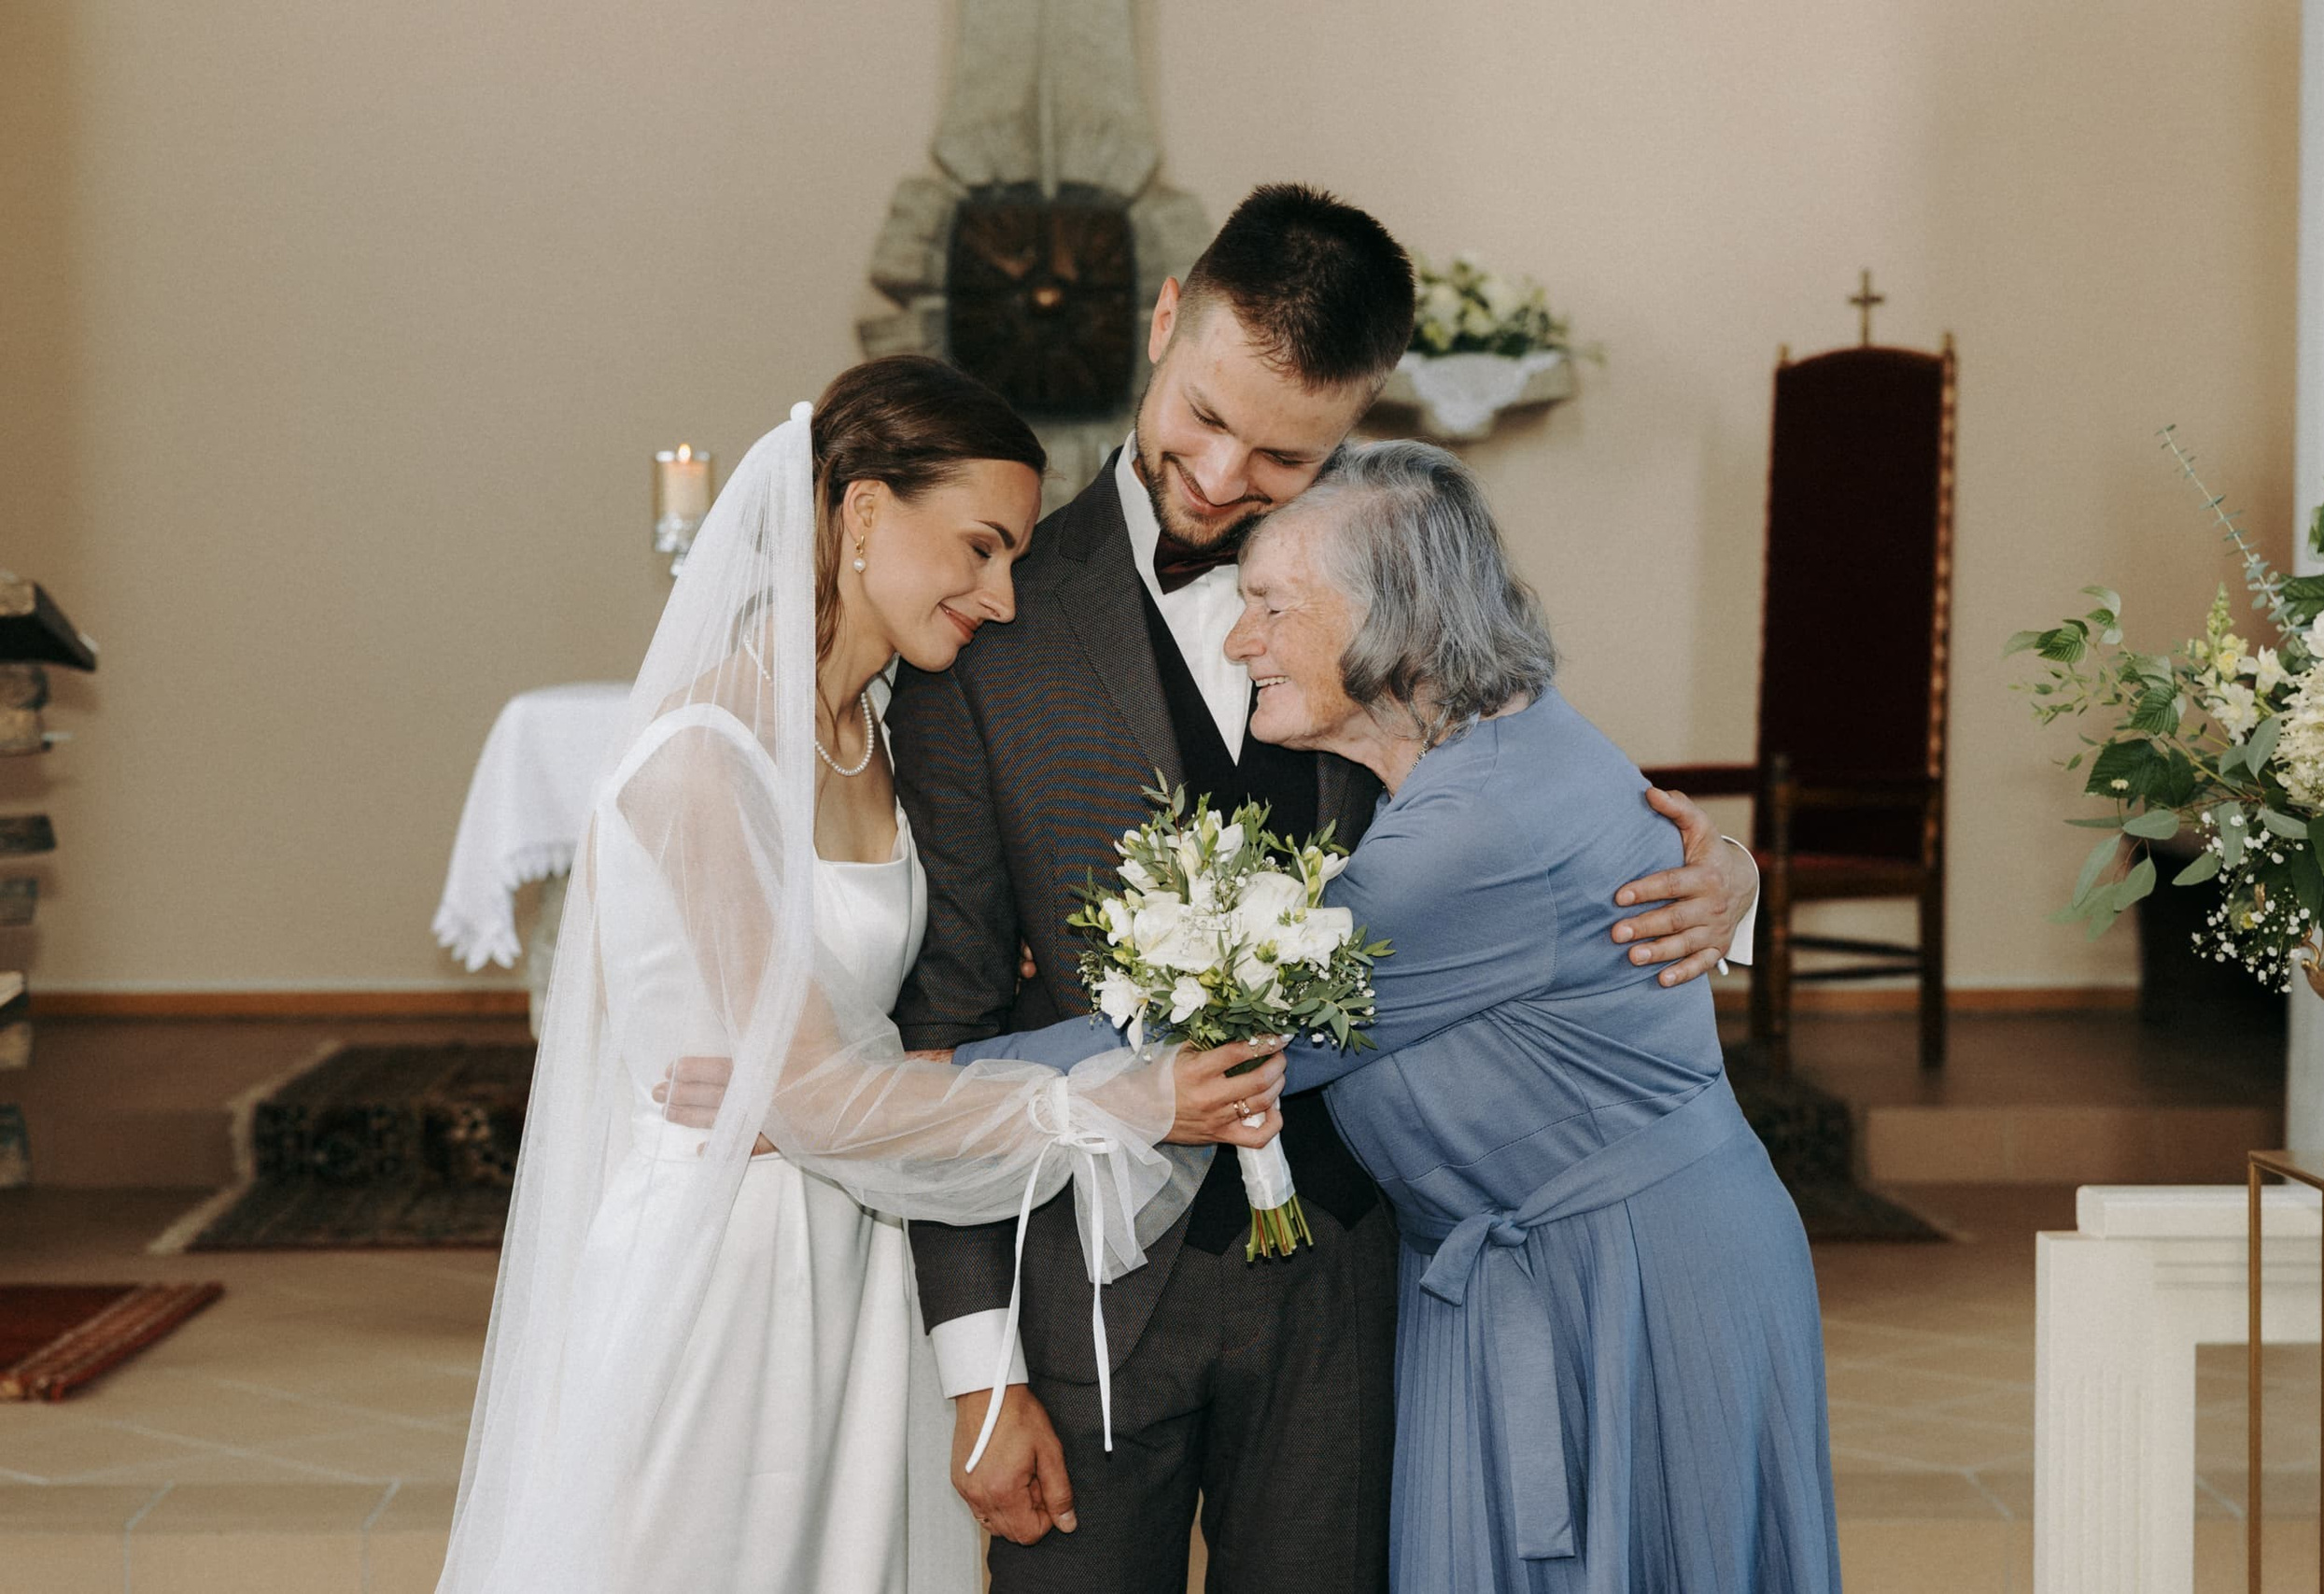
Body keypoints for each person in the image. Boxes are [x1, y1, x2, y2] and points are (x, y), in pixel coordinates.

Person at [885, 184, 1765, 1592]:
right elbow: (949, 1000)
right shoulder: (989, 624)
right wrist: (979, 1368)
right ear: (1167, 320)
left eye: (1285, 453)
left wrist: (1725, 876)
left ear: (1354, 423)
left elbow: (1539, 793)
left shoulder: (1397, 579)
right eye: (1205, 416)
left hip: (1363, 1280)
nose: (1226, 474)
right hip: (1087, 1294)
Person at [435, 356, 1288, 1594]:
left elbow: (854, 1066)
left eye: (1015, 560)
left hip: (867, 1243)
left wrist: (863, 1083)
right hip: (724, 1272)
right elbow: (820, 1098)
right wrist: (1123, 1099)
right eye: (981, 548)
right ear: (864, 513)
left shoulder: (885, 733)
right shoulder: (703, 760)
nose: (1002, 598)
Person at [1232, 442, 1838, 1592]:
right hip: (1571, 1269)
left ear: (1396, 625)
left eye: (1269, 605)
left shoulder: (1472, 830)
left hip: (1628, 1286)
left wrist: (925, 1086)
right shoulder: (1511, 740)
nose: (1239, 639)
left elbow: (1237, 1040)